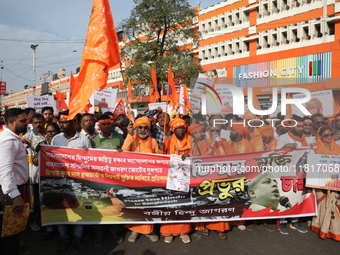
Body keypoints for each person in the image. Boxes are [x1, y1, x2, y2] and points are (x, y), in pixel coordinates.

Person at [51, 110, 91, 254]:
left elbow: (91, 162)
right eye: (60, 121)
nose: (61, 124)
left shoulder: (84, 140)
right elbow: (51, 159)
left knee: (78, 211)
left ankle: (77, 240)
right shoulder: (56, 139)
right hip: (61, 183)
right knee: (62, 212)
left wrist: (87, 153)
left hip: (78, 184)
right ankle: (63, 240)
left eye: (64, 121)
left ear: (73, 122)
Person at [121, 116, 160, 243]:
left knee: (149, 205)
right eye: (140, 127)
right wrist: (129, 135)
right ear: (136, 128)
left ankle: (150, 231)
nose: (143, 130)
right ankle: (135, 230)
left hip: (150, 180)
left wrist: (162, 148)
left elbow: (160, 159)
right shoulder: (131, 139)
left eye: (145, 127)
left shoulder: (153, 141)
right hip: (134, 180)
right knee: (135, 205)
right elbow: (124, 152)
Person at [0, 108, 29, 255]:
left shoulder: (12, 138)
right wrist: (15, 196)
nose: (27, 123)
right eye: (23, 121)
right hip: (11, 192)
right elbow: (4, 172)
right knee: (11, 232)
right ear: (10, 122)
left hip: (14, 189)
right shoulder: (8, 141)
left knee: (10, 231)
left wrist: (21, 142)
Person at [161, 118, 192, 244]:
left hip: (187, 177)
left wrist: (190, 155)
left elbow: (200, 153)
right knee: (170, 204)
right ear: (173, 130)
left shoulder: (192, 140)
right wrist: (161, 149)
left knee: (184, 205)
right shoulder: (167, 142)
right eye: (178, 128)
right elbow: (160, 157)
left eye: (182, 128)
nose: (180, 130)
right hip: (171, 178)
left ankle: (183, 231)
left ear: (185, 128)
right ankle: (168, 232)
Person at [312, 125, 340, 241]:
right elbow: (313, 166)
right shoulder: (315, 149)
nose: (329, 137)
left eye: (331, 135)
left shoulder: (337, 148)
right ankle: (324, 229)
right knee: (326, 203)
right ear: (320, 136)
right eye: (326, 135)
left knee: (335, 203)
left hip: (337, 181)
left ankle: (334, 230)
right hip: (322, 182)